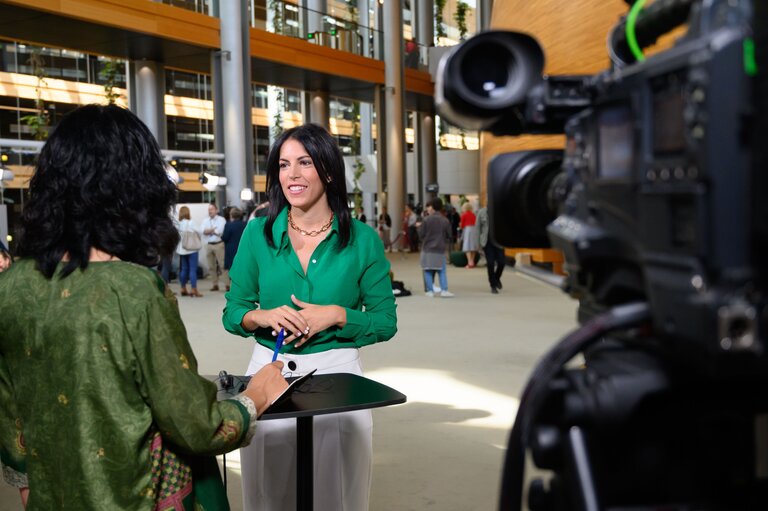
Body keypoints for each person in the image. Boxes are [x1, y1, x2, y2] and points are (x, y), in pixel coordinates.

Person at [0, 104, 288, 510]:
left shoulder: (11, 286)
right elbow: (196, 426)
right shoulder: (132, 290)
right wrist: (255, 397)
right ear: (136, 189)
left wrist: (27, 481)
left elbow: (10, 415)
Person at [222, 123, 397, 510]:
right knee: (269, 494)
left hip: (339, 374)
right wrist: (262, 317)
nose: (293, 175)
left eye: (304, 162)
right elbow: (233, 311)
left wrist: (337, 315)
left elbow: (385, 320)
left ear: (329, 170)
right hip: (268, 372)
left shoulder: (363, 240)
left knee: (338, 494)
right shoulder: (256, 234)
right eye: (284, 165)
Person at [418, 197, 454, 297]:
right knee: (441, 270)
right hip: (440, 249)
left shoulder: (426, 220)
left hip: (427, 249)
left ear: (433, 207)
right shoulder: (445, 220)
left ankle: (430, 291)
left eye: (429, 206)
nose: (428, 208)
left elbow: (421, 235)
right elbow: (449, 235)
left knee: (427, 270)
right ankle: (444, 290)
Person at [477, 206, 507, 293]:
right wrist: (477, 244)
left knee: (502, 262)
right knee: (490, 263)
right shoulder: (481, 212)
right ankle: (493, 285)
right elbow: (477, 228)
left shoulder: (501, 212)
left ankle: (496, 278)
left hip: (499, 242)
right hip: (487, 242)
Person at [176, 206, 203, 297]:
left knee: (184, 269)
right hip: (192, 249)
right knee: (193, 269)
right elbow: (200, 231)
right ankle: (193, 289)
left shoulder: (178, 224)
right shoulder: (191, 223)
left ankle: (183, 288)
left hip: (182, 249)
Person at [202, 202, 226, 291]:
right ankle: (215, 284)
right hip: (209, 245)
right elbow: (203, 231)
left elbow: (220, 231)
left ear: (216, 210)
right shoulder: (205, 220)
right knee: (211, 266)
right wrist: (213, 230)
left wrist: (209, 231)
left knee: (222, 265)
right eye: (209, 210)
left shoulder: (221, 219)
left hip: (219, 244)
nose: (210, 211)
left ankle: (227, 284)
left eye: (211, 209)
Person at [222, 207, 247, 292]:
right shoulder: (245, 224)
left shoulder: (228, 225)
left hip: (231, 250)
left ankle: (233, 287)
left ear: (231, 215)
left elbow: (225, 237)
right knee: (243, 269)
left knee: (232, 269)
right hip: (243, 249)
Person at [460, 201, 479, 267]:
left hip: (468, 230)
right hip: (475, 230)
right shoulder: (473, 215)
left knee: (467, 246)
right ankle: (472, 261)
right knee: (473, 246)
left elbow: (462, 225)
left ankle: (469, 262)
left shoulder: (464, 215)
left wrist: (461, 227)